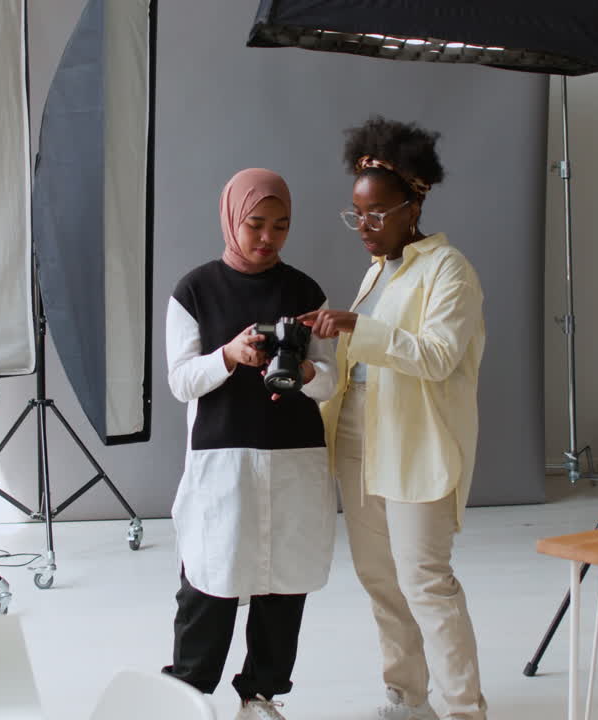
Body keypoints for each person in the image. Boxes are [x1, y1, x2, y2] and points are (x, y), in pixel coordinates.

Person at [302, 116, 488, 720]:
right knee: (380, 581)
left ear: (414, 204)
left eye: (377, 213)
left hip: (416, 445)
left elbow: (436, 357)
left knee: (427, 583)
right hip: (358, 439)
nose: (365, 227)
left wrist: (360, 326)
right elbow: (363, 362)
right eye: (357, 214)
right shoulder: (377, 271)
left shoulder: (449, 270)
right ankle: (407, 698)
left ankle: (464, 710)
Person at [162, 168, 338, 720]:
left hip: (295, 457)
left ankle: (260, 697)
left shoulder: (306, 291)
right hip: (223, 458)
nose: (268, 238)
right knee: (209, 581)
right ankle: (186, 696)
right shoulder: (194, 290)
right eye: (256, 224)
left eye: (281, 226)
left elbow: (334, 382)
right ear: (231, 218)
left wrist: (306, 370)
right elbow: (180, 381)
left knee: (283, 585)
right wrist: (230, 355)